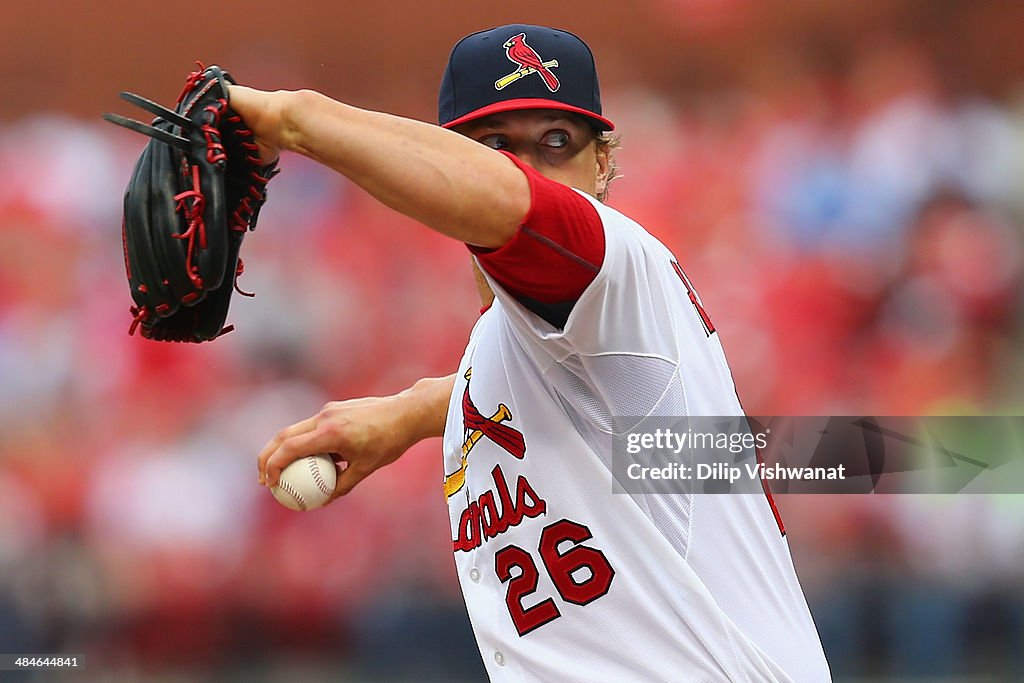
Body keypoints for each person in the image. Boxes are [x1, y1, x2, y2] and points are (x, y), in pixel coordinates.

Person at [243, 24, 831, 681]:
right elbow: (567, 402)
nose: (525, 169)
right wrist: (411, 413)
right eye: (494, 145)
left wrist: (292, 120)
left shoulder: (614, 261)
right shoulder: (525, 342)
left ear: (603, 164)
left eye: (557, 143)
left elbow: (516, 210)